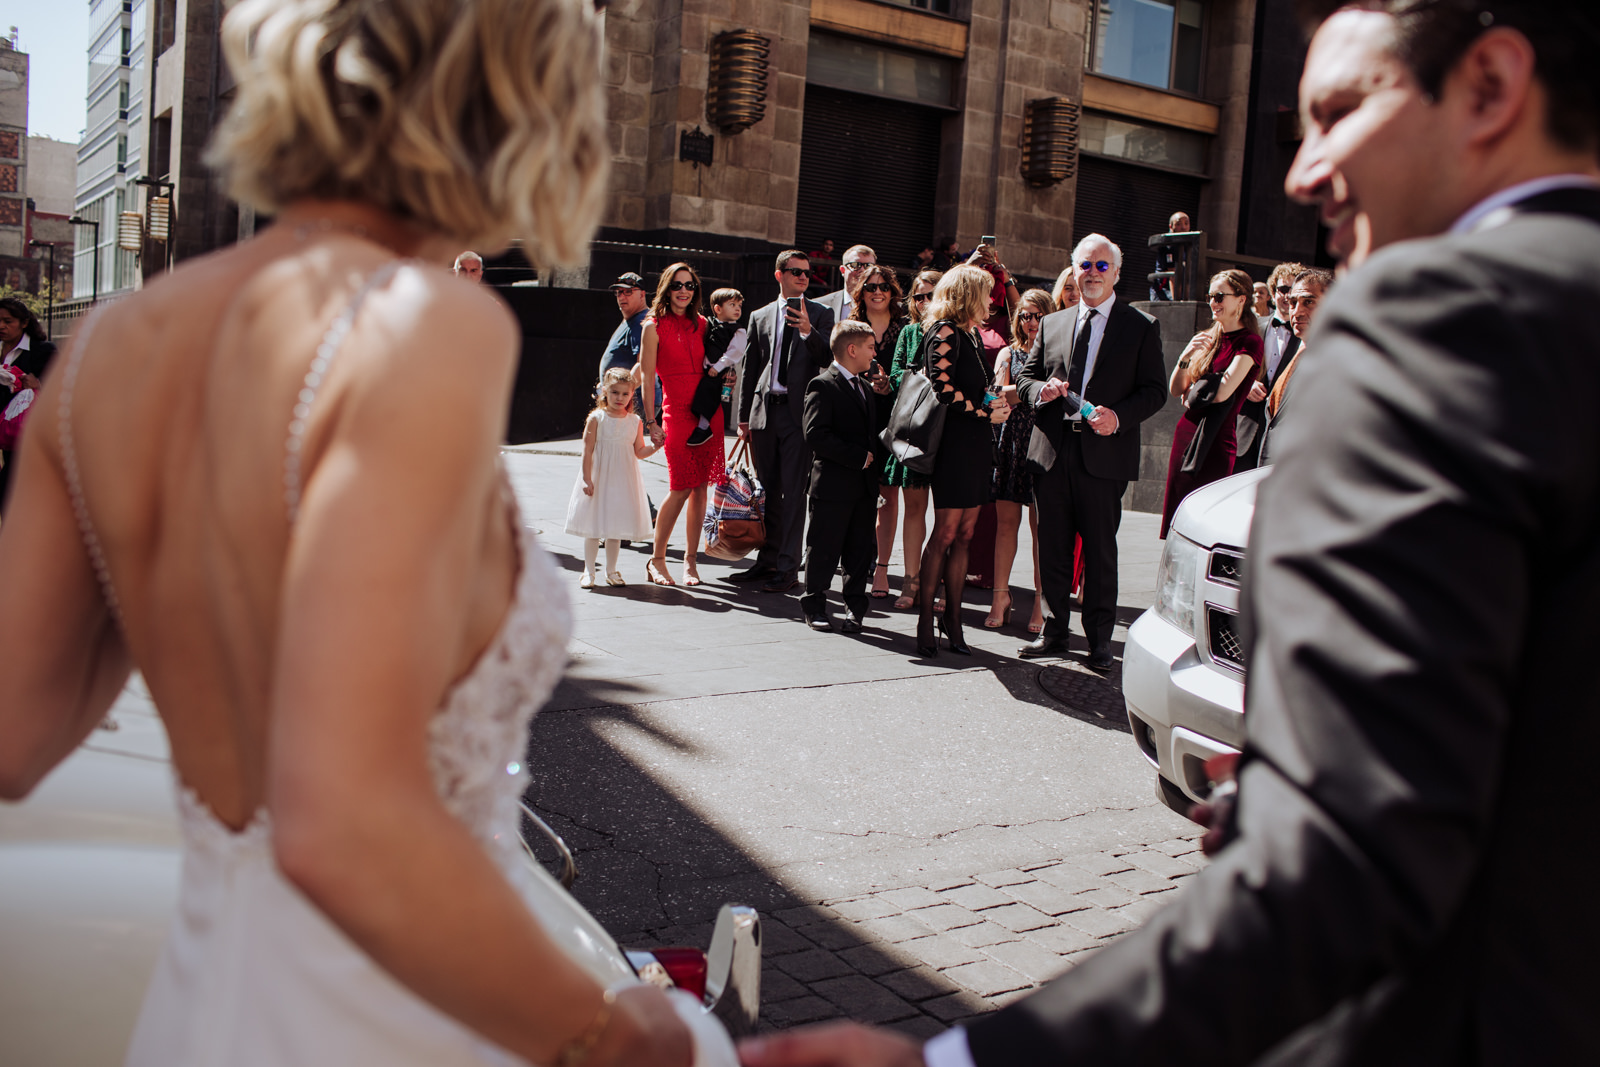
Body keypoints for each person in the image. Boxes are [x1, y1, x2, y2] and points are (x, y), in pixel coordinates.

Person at [738, 1, 1600, 1064]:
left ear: (1489, 87)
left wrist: (960, 1058)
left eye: (1339, 112)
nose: (1303, 170)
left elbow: (1348, 873)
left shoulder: (1438, 319)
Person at [0, 1, 709, 1065]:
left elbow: (15, 734)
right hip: (394, 1023)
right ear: (517, 90)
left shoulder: (105, 352)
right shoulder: (421, 319)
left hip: (199, 1016)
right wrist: (611, 1029)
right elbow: (338, 823)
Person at [1015, 235, 1166, 670]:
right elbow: (1026, 377)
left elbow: (1155, 392)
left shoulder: (1140, 326)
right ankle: (1055, 630)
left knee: (1100, 552)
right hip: (1052, 452)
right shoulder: (1053, 323)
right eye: (1086, 265)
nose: (1093, 273)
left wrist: (1117, 417)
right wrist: (1039, 390)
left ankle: (1099, 640)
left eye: (1102, 266)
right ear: (1074, 269)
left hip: (1103, 456)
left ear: (1117, 273)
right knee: (1053, 548)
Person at [912, 265, 1007, 658]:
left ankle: (952, 619)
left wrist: (992, 401)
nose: (991, 302)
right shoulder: (944, 330)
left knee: (967, 534)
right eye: (986, 294)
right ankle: (923, 618)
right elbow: (943, 390)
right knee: (946, 533)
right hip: (953, 445)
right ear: (968, 293)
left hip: (976, 445)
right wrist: (986, 413)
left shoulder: (967, 333)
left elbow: (972, 388)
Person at [733, 251, 834, 592]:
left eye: (807, 273)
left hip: (798, 417)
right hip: (765, 413)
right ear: (779, 275)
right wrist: (744, 418)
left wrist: (808, 331)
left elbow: (827, 359)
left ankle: (788, 568)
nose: (803, 278)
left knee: (793, 493)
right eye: (796, 272)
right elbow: (749, 369)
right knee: (767, 491)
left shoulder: (821, 313)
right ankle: (767, 561)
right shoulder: (760, 316)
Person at [799, 321, 891, 633]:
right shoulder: (822, 385)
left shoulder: (865, 387)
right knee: (824, 547)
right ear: (851, 350)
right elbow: (815, 435)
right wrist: (857, 456)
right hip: (832, 486)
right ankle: (815, 605)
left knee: (859, 550)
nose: (874, 353)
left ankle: (855, 608)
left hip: (863, 488)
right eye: (870, 347)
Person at [639, 262, 725, 587]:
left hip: (707, 413)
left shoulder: (703, 324)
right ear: (666, 288)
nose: (684, 291)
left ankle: (691, 562)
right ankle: (657, 559)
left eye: (689, 286)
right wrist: (651, 421)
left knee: (701, 487)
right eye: (677, 285)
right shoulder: (653, 326)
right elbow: (647, 377)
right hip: (675, 412)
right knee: (680, 487)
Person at [1159, 269, 1262, 538]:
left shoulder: (1250, 342)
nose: (1213, 303)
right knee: (1177, 517)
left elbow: (1222, 393)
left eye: (1220, 296)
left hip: (1216, 441)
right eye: (1210, 297)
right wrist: (1185, 356)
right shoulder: (1208, 338)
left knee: (1205, 523)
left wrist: (1196, 389)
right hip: (1186, 434)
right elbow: (1176, 389)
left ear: (1241, 300)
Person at [985, 289, 1053, 633]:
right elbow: (999, 395)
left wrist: (1017, 390)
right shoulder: (1008, 353)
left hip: (1043, 440)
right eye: (1025, 315)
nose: (1031, 322)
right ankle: (1001, 596)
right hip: (1011, 439)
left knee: (1042, 530)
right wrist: (1033, 389)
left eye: (1038, 315)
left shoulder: (1058, 353)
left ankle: (1041, 603)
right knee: (1005, 524)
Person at [845, 264, 908, 598]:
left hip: (893, 417)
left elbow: (914, 376)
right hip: (856, 416)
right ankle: (855, 559)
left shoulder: (906, 328)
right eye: (871, 287)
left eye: (884, 286)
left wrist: (890, 385)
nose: (878, 292)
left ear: (892, 291)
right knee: (857, 493)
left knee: (888, 495)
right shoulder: (851, 326)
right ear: (862, 292)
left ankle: (881, 568)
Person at [567, 367, 659, 589]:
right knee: (593, 525)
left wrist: (655, 447)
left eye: (625, 394)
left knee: (615, 528)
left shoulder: (635, 421)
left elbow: (639, 451)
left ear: (631, 395)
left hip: (622, 479)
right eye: (615, 392)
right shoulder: (596, 418)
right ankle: (588, 571)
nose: (620, 398)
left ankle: (611, 570)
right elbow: (587, 451)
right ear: (605, 392)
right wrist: (587, 479)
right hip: (599, 477)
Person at [882, 270, 941, 610]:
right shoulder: (908, 332)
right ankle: (911, 579)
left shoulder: (957, 330)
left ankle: (940, 582)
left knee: (947, 514)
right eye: (918, 296)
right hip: (915, 430)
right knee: (914, 509)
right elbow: (895, 379)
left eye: (931, 294)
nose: (924, 302)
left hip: (948, 430)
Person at [1234, 261, 1307, 471]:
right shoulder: (1252, 328)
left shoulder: (1307, 337)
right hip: (1245, 433)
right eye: (1283, 289)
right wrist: (1245, 386)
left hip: (1282, 440)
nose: (1287, 296)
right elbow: (1225, 369)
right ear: (1273, 293)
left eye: (1293, 291)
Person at [1256, 267, 1332, 467]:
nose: (1297, 311)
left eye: (1309, 302)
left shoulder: (1336, 360)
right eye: (1292, 303)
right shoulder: (1300, 351)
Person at [0, 297, 56, 511]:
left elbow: (63, 389)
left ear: (24, 322)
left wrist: (38, 385)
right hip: (4, 437)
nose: (1, 326)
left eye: (8, 321)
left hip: (27, 436)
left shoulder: (42, 351)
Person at [685, 288, 747, 448]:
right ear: (718, 309)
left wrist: (718, 367)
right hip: (706, 368)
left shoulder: (738, 330)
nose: (737, 309)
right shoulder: (708, 323)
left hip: (720, 370)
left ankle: (703, 428)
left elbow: (734, 352)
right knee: (701, 393)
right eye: (732, 304)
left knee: (709, 393)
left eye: (739, 305)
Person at [815, 244, 876, 325]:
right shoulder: (819, 306)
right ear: (843, 270)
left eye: (868, 266)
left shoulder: (885, 306)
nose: (862, 270)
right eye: (855, 265)